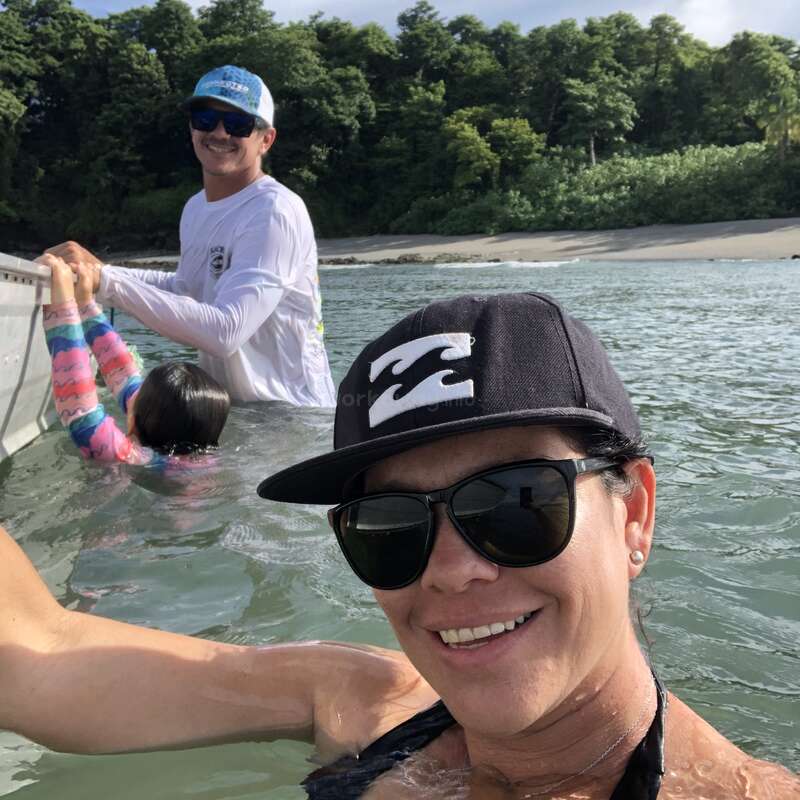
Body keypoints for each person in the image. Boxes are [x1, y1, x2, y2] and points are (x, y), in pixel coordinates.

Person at [1, 292, 797, 799]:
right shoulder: (367, 703)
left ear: (636, 517)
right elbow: (35, 651)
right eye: (390, 526)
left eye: (517, 502)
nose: (450, 571)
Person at [46, 64, 335, 407]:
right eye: (206, 118)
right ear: (191, 127)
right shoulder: (196, 208)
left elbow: (225, 331)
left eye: (239, 124)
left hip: (294, 416)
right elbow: (186, 289)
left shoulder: (275, 211)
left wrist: (109, 283)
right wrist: (99, 272)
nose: (220, 133)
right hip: (234, 413)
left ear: (266, 140)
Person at [40, 252, 229, 465]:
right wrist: (85, 305)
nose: (135, 392)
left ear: (138, 420)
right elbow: (124, 377)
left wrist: (63, 307)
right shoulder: (190, 451)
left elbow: (80, 411)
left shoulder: (135, 459)